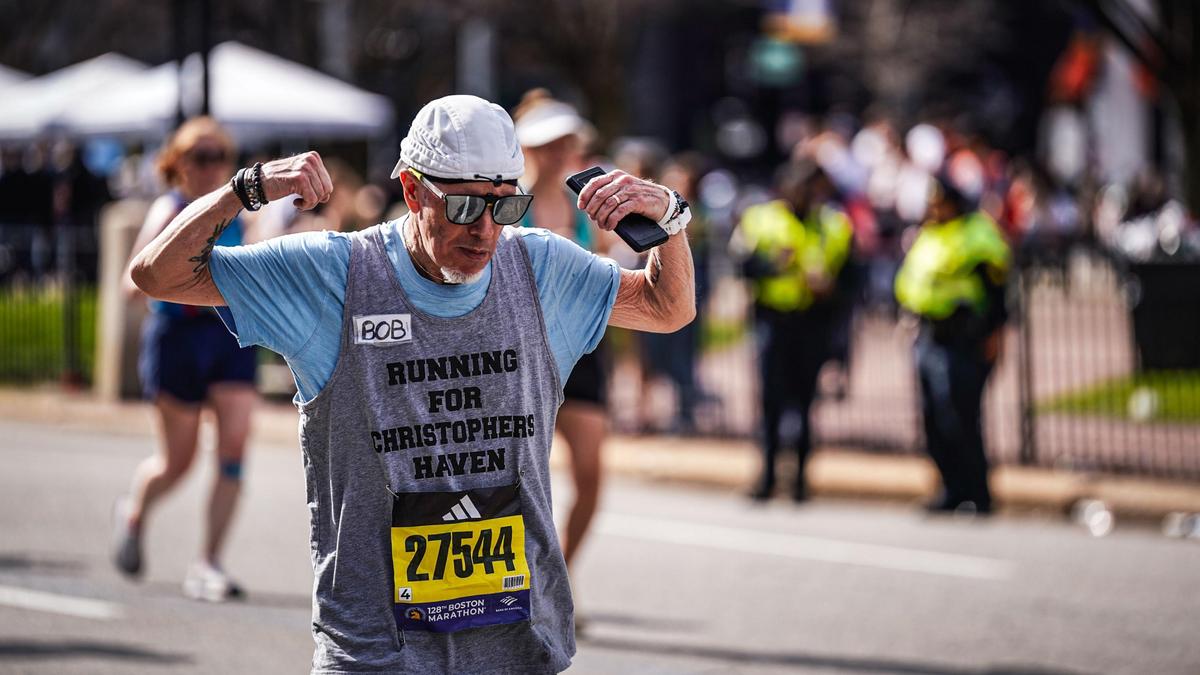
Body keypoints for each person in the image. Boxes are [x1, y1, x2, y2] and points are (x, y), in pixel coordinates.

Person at [128, 95, 694, 673]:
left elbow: (666, 308)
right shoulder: (336, 273)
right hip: (377, 653)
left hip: (520, 648)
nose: (484, 232)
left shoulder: (539, 267)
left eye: (504, 207)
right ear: (412, 190)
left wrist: (670, 217)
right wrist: (243, 191)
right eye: (464, 207)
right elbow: (157, 274)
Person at [113, 116, 258, 601]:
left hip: (230, 336)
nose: (212, 166)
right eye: (201, 156)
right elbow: (132, 281)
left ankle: (208, 563)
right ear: (178, 164)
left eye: (220, 156)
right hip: (178, 339)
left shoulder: (240, 215)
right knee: (179, 462)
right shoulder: (168, 209)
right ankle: (135, 511)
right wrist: (172, 283)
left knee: (234, 449)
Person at [511, 90, 606, 572]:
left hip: (582, 348)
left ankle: (561, 579)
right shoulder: (508, 205)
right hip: (524, 349)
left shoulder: (586, 208)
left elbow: (608, 274)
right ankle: (524, 578)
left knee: (590, 475)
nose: (559, 153)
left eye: (566, 143)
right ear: (526, 147)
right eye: (548, 144)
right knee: (522, 476)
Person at [732, 160, 853, 502]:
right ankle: (767, 478)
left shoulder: (834, 224)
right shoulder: (760, 219)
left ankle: (799, 481)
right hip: (773, 321)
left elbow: (852, 276)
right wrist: (774, 266)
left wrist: (831, 288)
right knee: (770, 402)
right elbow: (743, 266)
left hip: (813, 321)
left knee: (804, 403)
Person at [894, 174, 1010, 514]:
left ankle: (978, 493)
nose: (932, 208)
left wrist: (994, 335)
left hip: (964, 339)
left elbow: (997, 292)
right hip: (929, 335)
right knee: (933, 418)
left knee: (960, 418)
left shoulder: (978, 235)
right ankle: (951, 490)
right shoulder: (927, 236)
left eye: (938, 201)